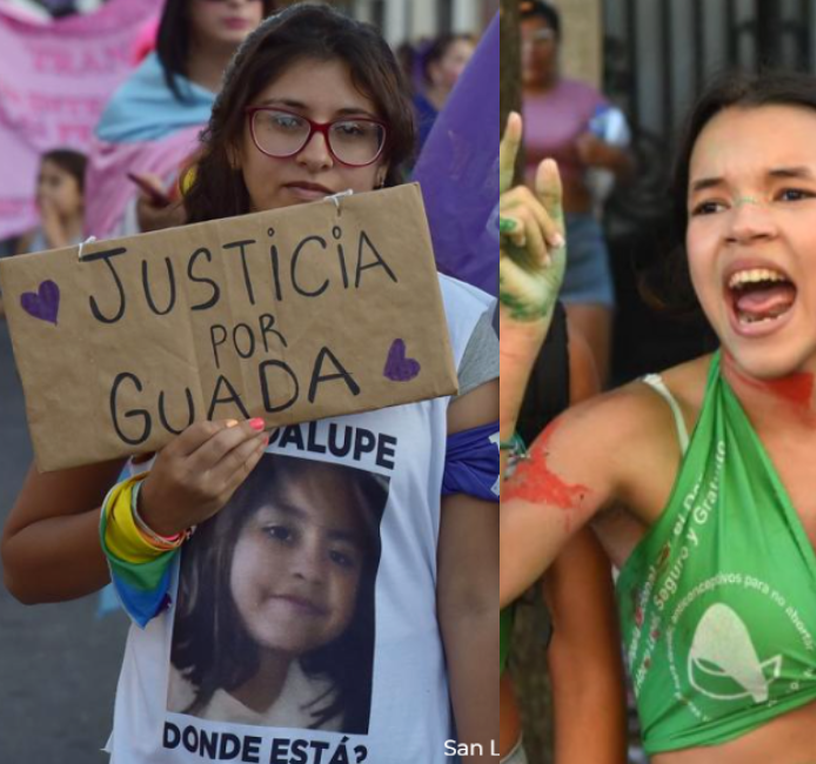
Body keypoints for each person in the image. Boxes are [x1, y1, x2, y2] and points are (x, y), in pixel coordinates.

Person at [0, 5, 531, 762]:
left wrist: (485, 759)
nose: (318, 154)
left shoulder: (457, 330)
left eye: (353, 130)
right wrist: (150, 515)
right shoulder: (151, 310)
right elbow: (25, 564)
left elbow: (473, 600)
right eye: (285, 121)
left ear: (386, 159)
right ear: (233, 143)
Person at [496, 70, 816, 763]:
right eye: (710, 206)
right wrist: (516, 342)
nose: (743, 225)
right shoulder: (627, 435)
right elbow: (448, 591)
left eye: (791, 192)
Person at [167, 455, 386, 732]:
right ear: (224, 539)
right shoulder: (164, 682)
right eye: (280, 532)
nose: (311, 570)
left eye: (340, 556)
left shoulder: (330, 708)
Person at [86, 0, 271, 240]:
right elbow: (103, 226)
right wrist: (143, 220)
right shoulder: (130, 108)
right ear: (182, 6)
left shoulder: (293, 95)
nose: (237, 2)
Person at [519, 0, 634, 385]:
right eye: (520, 41)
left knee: (589, 372)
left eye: (542, 39)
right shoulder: (501, 94)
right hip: (512, 242)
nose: (532, 50)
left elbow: (628, 166)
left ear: (558, 42)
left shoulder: (583, 98)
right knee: (515, 374)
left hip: (576, 238)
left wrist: (603, 154)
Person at [3, 148, 87, 256]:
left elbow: (77, 271)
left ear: (82, 192)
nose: (43, 189)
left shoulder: (95, 238)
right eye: (40, 180)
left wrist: (54, 234)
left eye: (55, 181)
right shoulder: (30, 238)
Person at [412, 33, 477, 152]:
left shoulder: (475, 115)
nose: (472, 67)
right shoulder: (412, 116)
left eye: (473, 60)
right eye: (460, 60)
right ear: (435, 70)